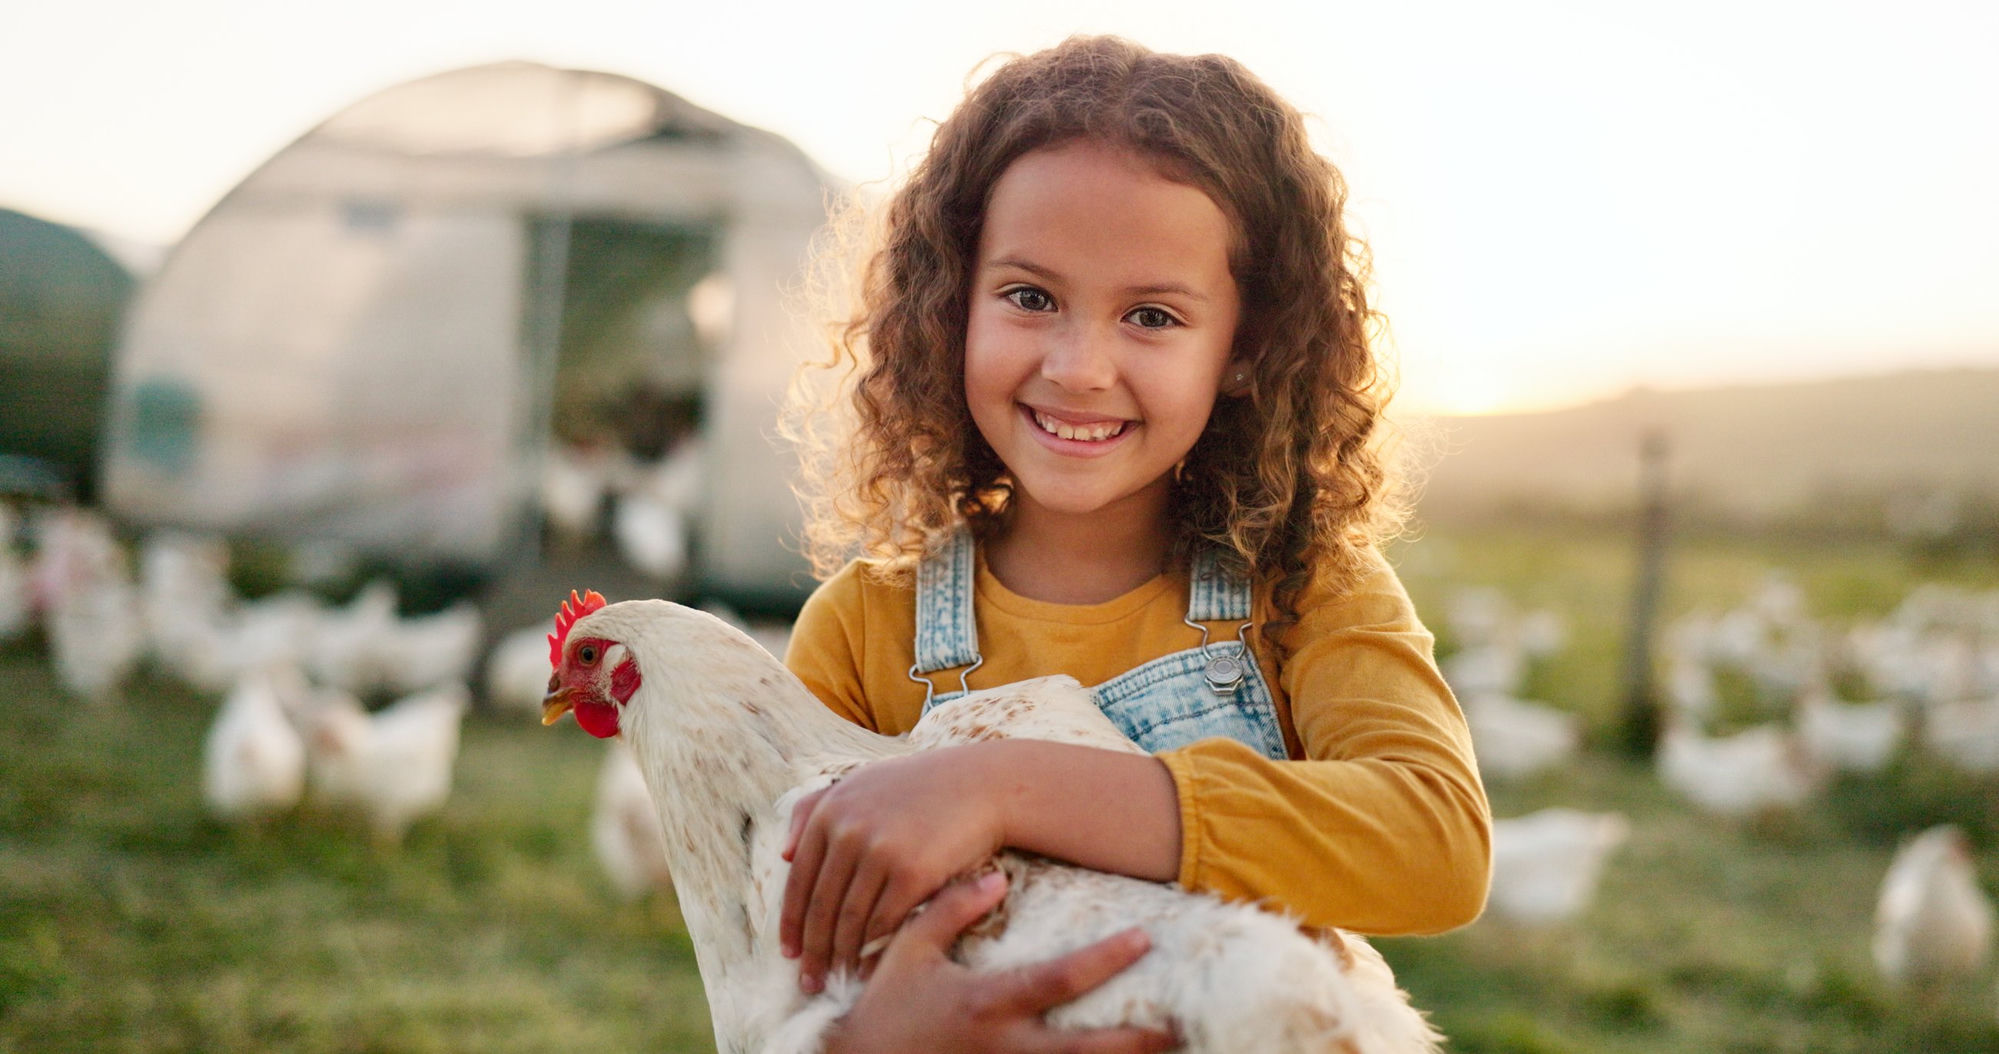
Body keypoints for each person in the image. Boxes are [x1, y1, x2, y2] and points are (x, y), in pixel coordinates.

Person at [778, 34, 1490, 1050]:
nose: (1079, 367)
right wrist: (878, 1037)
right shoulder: (862, 631)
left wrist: (997, 786)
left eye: (1150, 315)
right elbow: (780, 961)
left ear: (1243, 351)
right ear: (950, 305)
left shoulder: (1303, 591)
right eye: (1030, 297)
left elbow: (1436, 844)